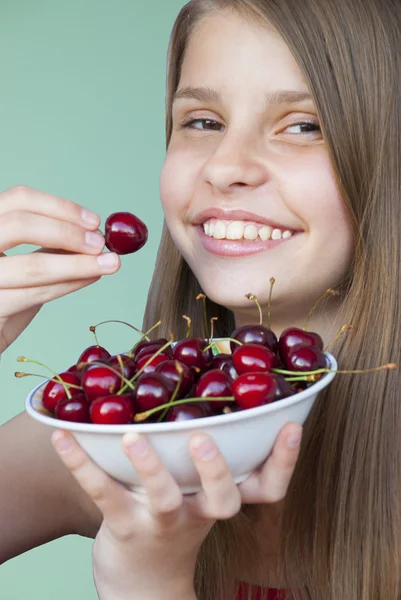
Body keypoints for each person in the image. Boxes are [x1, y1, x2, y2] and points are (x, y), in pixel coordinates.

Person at [1, 0, 400, 598]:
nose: (226, 166)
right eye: (203, 122)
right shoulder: (111, 443)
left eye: (302, 125)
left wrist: (145, 580)